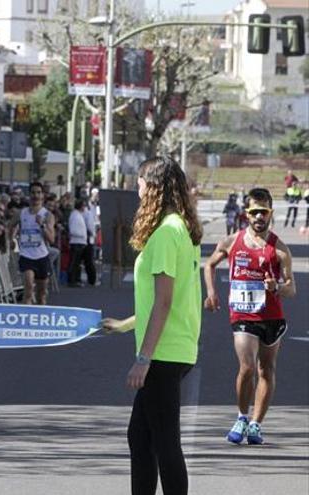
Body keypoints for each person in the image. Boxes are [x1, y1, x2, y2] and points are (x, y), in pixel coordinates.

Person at [101, 156, 203, 495]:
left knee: (164, 443)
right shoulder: (182, 230)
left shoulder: (164, 234)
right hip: (176, 346)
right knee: (141, 437)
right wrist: (124, 325)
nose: (138, 188)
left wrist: (143, 358)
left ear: (155, 187)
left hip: (162, 353)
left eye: (141, 182)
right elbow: (167, 301)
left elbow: (164, 301)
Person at [203, 187, 295, 445]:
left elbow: (292, 288)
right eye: (254, 212)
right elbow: (209, 264)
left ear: (270, 213)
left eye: (263, 212)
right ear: (246, 213)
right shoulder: (233, 242)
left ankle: (256, 424)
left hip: (272, 316)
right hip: (242, 315)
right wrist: (212, 293)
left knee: (267, 369)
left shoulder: (279, 249)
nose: (258, 217)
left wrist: (277, 287)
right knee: (247, 367)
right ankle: (242, 416)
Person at [16, 182, 55, 304]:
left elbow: (51, 239)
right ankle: (25, 318)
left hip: (42, 257)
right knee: (28, 290)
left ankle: (40, 318)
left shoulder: (47, 215)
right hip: (26, 255)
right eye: (33, 192)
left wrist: (42, 225)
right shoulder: (22, 213)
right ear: (29, 194)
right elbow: (9, 226)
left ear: (43, 195)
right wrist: (10, 239)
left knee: (41, 294)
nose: (36, 195)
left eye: (38, 192)